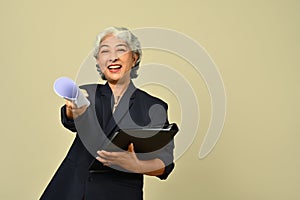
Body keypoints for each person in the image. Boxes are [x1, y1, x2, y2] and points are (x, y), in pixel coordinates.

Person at [40, 27, 175, 200]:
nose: (112, 57)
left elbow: (165, 163)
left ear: (134, 58)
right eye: (105, 51)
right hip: (70, 189)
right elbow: (70, 118)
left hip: (118, 193)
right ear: (98, 61)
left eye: (121, 49)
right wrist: (72, 110)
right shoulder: (87, 93)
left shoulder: (153, 106)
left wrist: (136, 165)